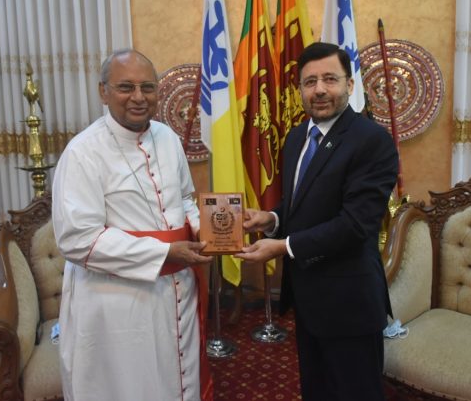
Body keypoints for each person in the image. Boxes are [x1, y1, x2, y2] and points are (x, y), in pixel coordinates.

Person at [236, 42, 399, 400]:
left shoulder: (372, 141)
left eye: (330, 79)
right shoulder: (297, 137)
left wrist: (282, 246)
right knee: (317, 390)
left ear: (350, 85)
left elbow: (356, 225)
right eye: (310, 82)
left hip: (349, 302)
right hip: (309, 298)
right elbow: (303, 203)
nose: (320, 89)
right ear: (300, 90)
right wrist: (272, 218)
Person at [52, 48, 214, 401]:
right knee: (129, 387)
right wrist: (163, 251)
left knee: (178, 382)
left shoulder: (169, 139)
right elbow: (78, 240)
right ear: (103, 91)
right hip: (118, 304)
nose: (139, 98)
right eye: (126, 87)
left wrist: (203, 228)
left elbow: (185, 197)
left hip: (177, 290)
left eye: (148, 87)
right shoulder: (82, 152)